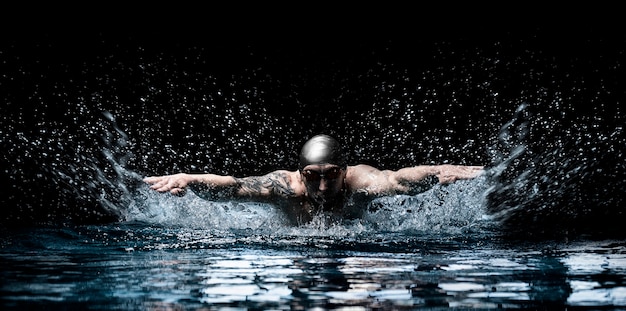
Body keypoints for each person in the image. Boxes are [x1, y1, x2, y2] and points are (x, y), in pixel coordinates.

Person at [144, 134, 484, 224]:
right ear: (300, 173)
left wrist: (439, 171)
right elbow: (234, 187)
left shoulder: (360, 181)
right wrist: (189, 178)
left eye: (331, 176)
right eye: (312, 177)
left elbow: (398, 181)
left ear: (345, 171)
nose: (322, 188)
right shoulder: (284, 187)